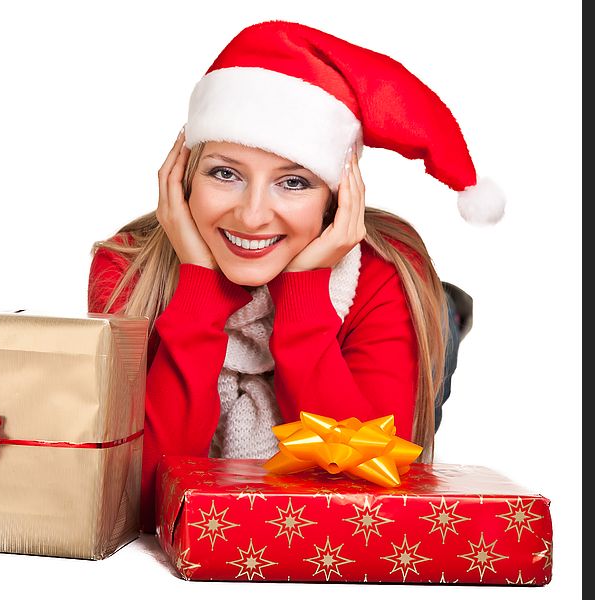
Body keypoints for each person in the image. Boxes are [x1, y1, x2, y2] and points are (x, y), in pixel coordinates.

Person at [87, 21, 502, 532]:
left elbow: (367, 491)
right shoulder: (128, 266)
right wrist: (198, 285)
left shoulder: (387, 275)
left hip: (398, 313)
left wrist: (304, 295)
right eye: (225, 173)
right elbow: (138, 499)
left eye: (294, 181)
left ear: (336, 196)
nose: (253, 215)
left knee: (434, 312)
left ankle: (449, 315)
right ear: (182, 175)